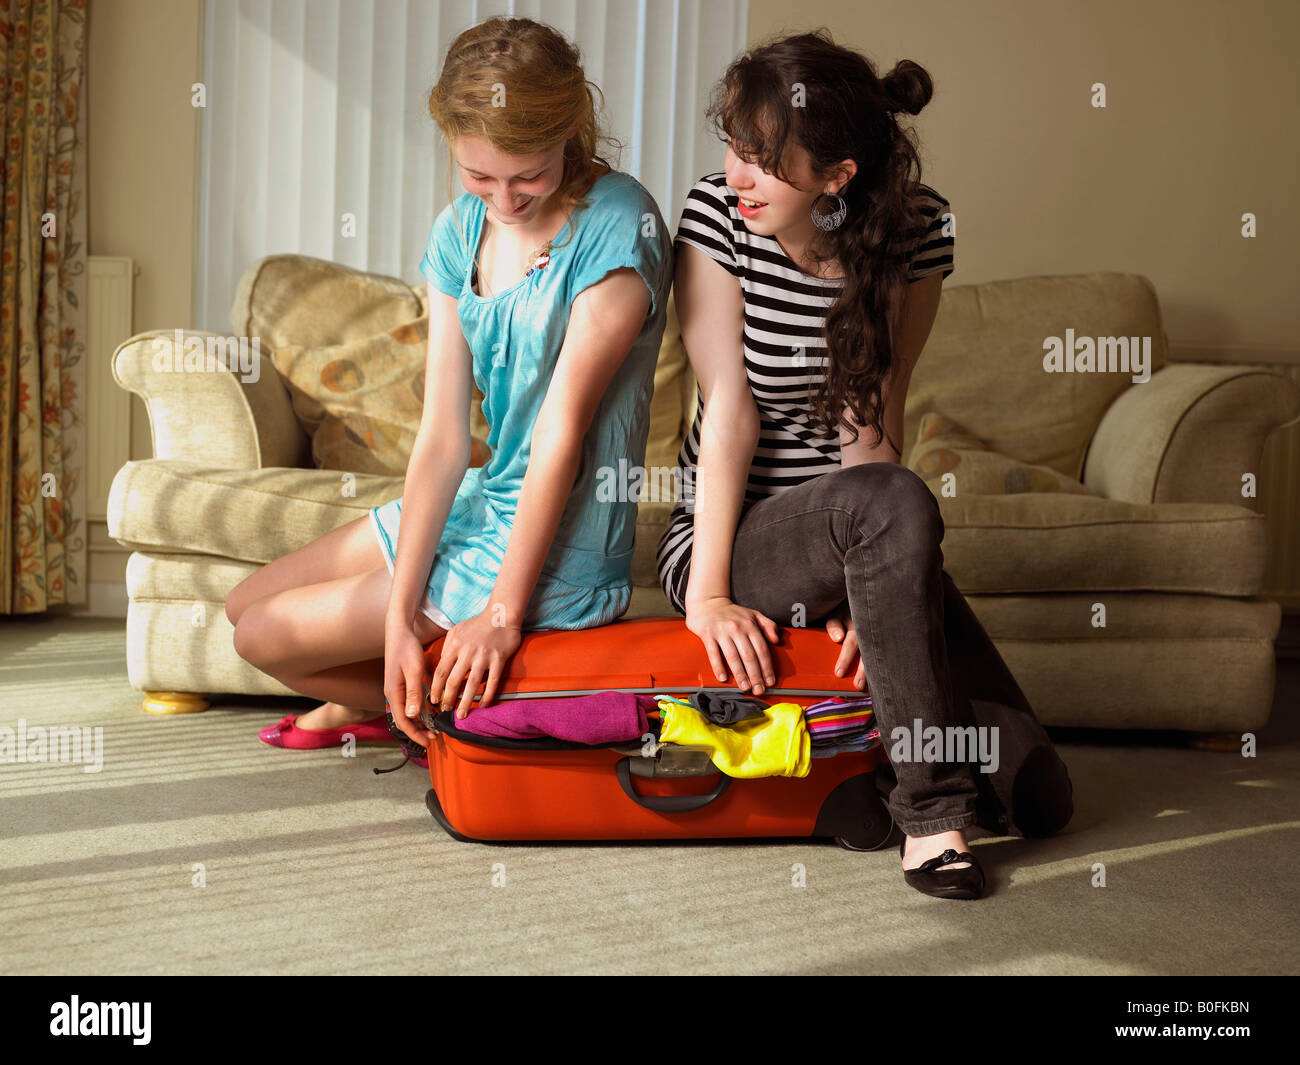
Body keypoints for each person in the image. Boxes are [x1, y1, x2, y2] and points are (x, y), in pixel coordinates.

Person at [656, 30, 1073, 899]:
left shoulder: (917, 232)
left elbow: (873, 422)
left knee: (1041, 792)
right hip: (729, 538)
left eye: (764, 160)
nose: (737, 176)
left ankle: (959, 765)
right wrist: (708, 594)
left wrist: (859, 590)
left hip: (858, 531)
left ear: (838, 175)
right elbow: (726, 414)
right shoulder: (714, 220)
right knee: (892, 505)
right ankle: (932, 816)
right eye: (733, 146)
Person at [226, 16, 672, 761]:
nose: (504, 198)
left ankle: (456, 710)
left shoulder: (623, 225)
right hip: (486, 498)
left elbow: (561, 436)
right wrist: (400, 615)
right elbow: (440, 438)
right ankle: (415, 688)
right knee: (243, 606)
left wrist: (502, 612)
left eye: (527, 174)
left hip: (558, 541)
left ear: (570, 128)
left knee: (260, 636)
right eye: (479, 175)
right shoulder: (461, 231)